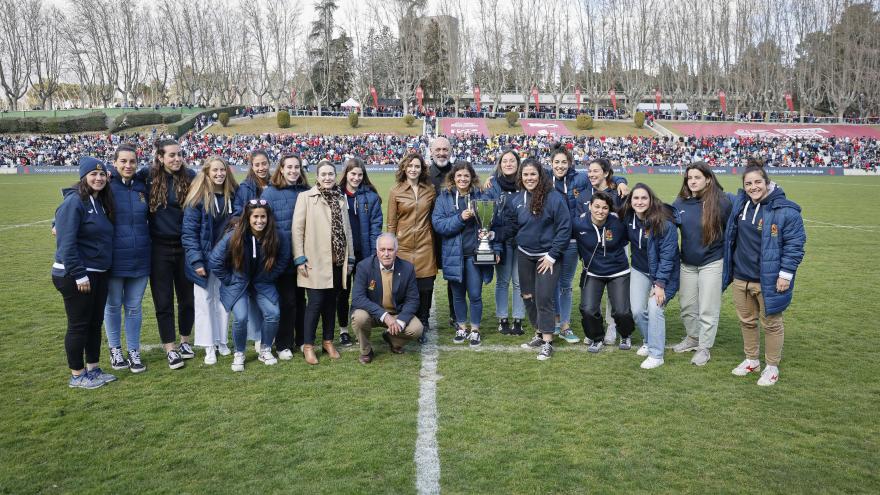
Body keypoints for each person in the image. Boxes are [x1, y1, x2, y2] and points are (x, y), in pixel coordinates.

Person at [723, 161, 805, 386]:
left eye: (758, 182)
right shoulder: (741, 204)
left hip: (768, 279)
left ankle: (771, 366)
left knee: (771, 323)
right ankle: (751, 361)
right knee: (747, 321)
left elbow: (795, 245)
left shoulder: (786, 210)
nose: (753, 187)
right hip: (741, 277)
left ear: (768, 183)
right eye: (748, 183)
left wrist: (785, 275)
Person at [498, 159, 571, 361]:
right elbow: (512, 227)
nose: (529, 178)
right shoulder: (516, 200)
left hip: (547, 257)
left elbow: (565, 228)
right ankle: (539, 332)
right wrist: (492, 235)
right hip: (524, 255)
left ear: (540, 175)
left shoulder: (554, 198)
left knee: (544, 297)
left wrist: (552, 255)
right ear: (521, 177)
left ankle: (548, 342)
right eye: (526, 175)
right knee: (528, 296)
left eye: (533, 174)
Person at [53, 157, 116, 388]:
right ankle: (77, 375)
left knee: (94, 323)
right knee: (79, 325)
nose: (98, 178)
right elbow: (66, 244)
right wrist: (79, 274)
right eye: (93, 174)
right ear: (83, 177)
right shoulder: (74, 202)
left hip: (98, 272)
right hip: (75, 275)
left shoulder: (100, 201)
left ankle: (93, 369)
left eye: (102, 174)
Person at [209, 200, 290, 371]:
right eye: (255, 217)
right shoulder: (234, 235)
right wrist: (229, 280)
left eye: (263, 217)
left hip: (262, 282)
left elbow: (284, 258)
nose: (259, 221)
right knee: (240, 317)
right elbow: (215, 260)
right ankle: (239, 353)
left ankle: (265, 349)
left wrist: (270, 275)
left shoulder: (277, 235)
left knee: (273, 313)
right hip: (238, 283)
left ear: (268, 218)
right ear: (248, 217)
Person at [293, 160, 355, 365]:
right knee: (315, 304)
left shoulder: (340, 198)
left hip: (337, 262)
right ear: (317, 177)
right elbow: (297, 230)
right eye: (324, 174)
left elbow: (347, 231)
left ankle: (328, 341)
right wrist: (299, 258)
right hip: (315, 261)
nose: (327, 178)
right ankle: (308, 346)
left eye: (331, 174)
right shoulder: (306, 197)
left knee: (331, 303)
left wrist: (350, 257)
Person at [671, 162, 733, 366]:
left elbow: (732, 231)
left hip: (712, 262)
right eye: (689, 178)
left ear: (708, 178)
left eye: (697, 177)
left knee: (708, 308)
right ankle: (692, 338)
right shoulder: (680, 203)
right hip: (687, 263)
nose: (693, 181)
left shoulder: (722, 202)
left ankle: (704, 348)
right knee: (687, 306)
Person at [144, 139, 196, 369]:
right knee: (163, 300)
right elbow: (111, 182)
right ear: (160, 157)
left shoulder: (191, 176)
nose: (176, 159)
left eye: (179, 154)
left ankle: (185, 341)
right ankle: (170, 348)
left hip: (185, 247)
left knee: (187, 299)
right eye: (171, 155)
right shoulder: (146, 176)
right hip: (159, 248)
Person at [182, 156, 238, 365]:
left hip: (225, 259)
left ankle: (221, 341)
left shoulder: (232, 195)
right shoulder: (196, 199)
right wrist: (196, 262)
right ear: (206, 172)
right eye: (215, 170)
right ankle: (208, 346)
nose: (219, 174)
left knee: (223, 301)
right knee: (204, 302)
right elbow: (189, 233)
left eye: (222, 170)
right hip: (204, 260)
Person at [432, 162, 494, 346]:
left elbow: (490, 220)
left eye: (466, 176)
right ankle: (461, 327)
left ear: (472, 177)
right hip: (453, 255)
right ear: (453, 177)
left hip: (474, 255)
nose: (462, 179)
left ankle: (474, 329)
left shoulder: (481, 195)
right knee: (457, 295)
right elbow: (439, 225)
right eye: (459, 176)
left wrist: (487, 231)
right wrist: (460, 218)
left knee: (475, 294)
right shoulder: (444, 198)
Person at [620, 183, 680, 369]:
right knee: (637, 310)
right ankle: (648, 340)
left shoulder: (664, 223)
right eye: (635, 198)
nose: (639, 202)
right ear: (630, 201)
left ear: (651, 200)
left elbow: (668, 256)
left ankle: (657, 355)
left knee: (655, 307)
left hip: (664, 273)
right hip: (639, 269)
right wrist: (620, 182)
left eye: (644, 198)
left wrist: (660, 283)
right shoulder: (628, 217)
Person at [103, 144, 150, 374]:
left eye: (132, 161)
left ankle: (133, 351)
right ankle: (115, 350)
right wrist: (56, 223)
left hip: (141, 257)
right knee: (112, 307)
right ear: (115, 163)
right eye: (123, 161)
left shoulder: (142, 185)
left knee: (134, 308)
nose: (128, 165)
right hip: (113, 259)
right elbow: (77, 195)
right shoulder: (106, 185)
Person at [573, 191, 636, 353]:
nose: (600, 211)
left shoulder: (618, 223)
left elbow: (631, 237)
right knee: (588, 309)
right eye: (597, 207)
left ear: (610, 209)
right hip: (593, 272)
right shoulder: (578, 224)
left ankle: (625, 334)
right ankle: (596, 337)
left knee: (622, 311)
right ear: (590, 206)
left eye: (605, 208)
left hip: (618, 271)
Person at [261, 154, 309, 360]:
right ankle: (283, 344)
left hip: (304, 257)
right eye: (289, 167)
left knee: (301, 300)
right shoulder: (270, 193)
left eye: (297, 167)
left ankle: (302, 340)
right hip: (282, 258)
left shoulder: (307, 192)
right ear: (281, 169)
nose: (293, 171)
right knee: (287, 301)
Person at [350, 233, 423, 363]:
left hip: (396, 314)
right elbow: (357, 298)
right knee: (359, 317)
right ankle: (366, 351)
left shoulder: (407, 268)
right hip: (372, 314)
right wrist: (384, 315)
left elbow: (413, 299)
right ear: (377, 251)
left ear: (396, 251)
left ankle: (391, 338)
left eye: (390, 249)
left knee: (417, 329)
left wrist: (400, 321)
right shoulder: (364, 267)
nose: (386, 254)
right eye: (382, 250)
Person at [387, 152, 438, 334]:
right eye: (410, 166)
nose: (413, 169)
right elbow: (391, 222)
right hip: (403, 246)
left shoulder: (429, 190)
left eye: (417, 166)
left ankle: (423, 322)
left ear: (422, 169)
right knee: (405, 287)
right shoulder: (396, 191)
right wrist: (391, 247)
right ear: (404, 168)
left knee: (426, 288)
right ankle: (406, 321)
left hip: (425, 245)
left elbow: (434, 216)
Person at [336, 157, 383, 347]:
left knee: (362, 292)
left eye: (360, 174)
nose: (356, 177)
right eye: (353, 173)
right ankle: (343, 330)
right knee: (342, 293)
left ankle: (359, 328)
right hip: (344, 255)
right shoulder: (336, 194)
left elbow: (375, 227)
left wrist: (373, 255)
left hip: (364, 254)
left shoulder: (370, 197)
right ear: (346, 174)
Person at [548, 144, 589, 344]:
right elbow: (519, 177)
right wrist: (493, 178)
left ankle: (565, 325)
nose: (560, 166)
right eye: (557, 162)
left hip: (572, 241)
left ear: (570, 163)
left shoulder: (579, 178)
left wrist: (621, 180)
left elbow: (604, 177)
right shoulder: (545, 179)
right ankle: (555, 319)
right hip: (552, 242)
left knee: (565, 284)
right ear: (551, 163)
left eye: (564, 162)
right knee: (552, 283)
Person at [233, 150, 271, 351]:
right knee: (253, 294)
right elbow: (239, 214)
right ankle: (258, 337)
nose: (261, 168)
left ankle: (271, 333)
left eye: (264, 163)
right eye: (257, 165)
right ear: (251, 166)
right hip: (252, 245)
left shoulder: (275, 184)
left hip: (271, 243)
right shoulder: (245, 187)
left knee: (269, 291)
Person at [484, 149, 525, 335]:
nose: (508, 164)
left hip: (523, 241)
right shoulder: (493, 184)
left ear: (518, 164)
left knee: (519, 282)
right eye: (505, 161)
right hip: (502, 241)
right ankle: (502, 318)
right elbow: (487, 211)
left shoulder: (526, 182)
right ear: (500, 164)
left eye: (512, 161)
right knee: (502, 281)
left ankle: (518, 319)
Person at [585, 157, 624, 345]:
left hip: (613, 248)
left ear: (606, 173)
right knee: (592, 288)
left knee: (612, 289)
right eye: (589, 171)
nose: (591, 174)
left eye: (595, 171)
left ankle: (611, 326)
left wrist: (621, 181)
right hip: (591, 249)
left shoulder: (617, 193)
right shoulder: (586, 192)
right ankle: (594, 326)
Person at [427, 136, 457, 328]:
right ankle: (423, 317)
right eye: (437, 150)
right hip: (427, 236)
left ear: (451, 151)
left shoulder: (458, 173)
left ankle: (455, 315)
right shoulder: (423, 174)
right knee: (426, 278)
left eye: (445, 149)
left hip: (452, 235)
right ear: (431, 152)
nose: (441, 153)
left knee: (453, 277)